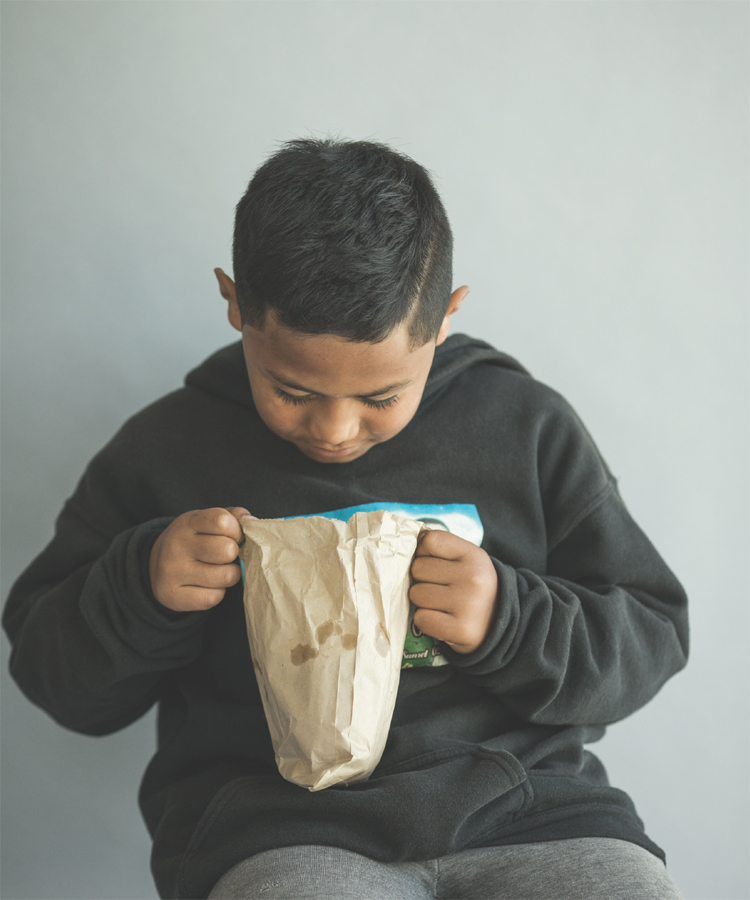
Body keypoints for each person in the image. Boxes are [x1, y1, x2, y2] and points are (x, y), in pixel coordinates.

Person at [3, 138, 688, 900]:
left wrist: (510, 618)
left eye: (380, 396)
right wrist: (143, 584)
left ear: (445, 319)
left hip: (534, 817)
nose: (332, 429)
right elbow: (56, 682)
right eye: (292, 391)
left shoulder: (525, 429)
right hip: (283, 836)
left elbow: (652, 634)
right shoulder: (165, 451)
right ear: (234, 303)